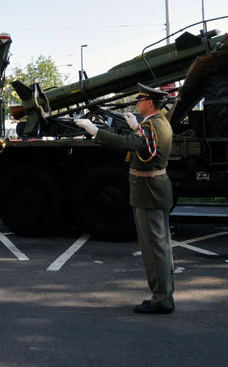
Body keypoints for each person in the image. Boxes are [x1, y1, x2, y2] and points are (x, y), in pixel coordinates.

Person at [75, 83, 175, 315]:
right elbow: (145, 142)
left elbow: (130, 144)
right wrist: (137, 126)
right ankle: (164, 294)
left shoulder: (152, 125)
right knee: (161, 246)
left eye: (140, 100)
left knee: (154, 248)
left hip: (148, 191)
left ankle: (161, 299)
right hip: (156, 189)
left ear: (150, 102)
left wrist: (95, 132)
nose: (137, 103)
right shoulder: (158, 122)